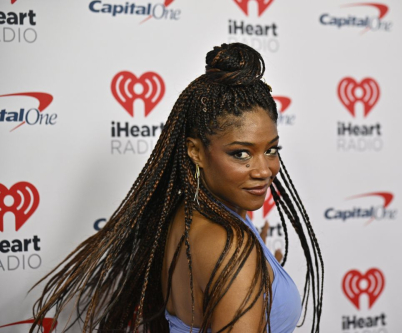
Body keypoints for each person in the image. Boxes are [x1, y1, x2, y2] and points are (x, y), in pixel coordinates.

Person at [30, 43, 323, 333]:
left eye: (271, 150)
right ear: (195, 151)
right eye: (241, 154)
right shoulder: (232, 251)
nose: (264, 170)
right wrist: (249, 262)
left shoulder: (186, 217)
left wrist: (265, 267)